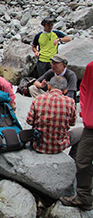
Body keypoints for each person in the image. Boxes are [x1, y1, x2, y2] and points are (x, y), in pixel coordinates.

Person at [60, 61, 93, 211]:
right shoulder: (91, 67)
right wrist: (85, 113)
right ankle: (83, 197)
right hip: (90, 125)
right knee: (82, 161)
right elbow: (84, 90)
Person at [26, 76, 82, 157]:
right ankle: (73, 160)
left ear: (49, 87)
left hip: (39, 145)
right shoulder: (70, 102)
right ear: (65, 91)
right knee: (83, 131)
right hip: (60, 146)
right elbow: (72, 123)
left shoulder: (38, 98)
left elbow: (29, 121)